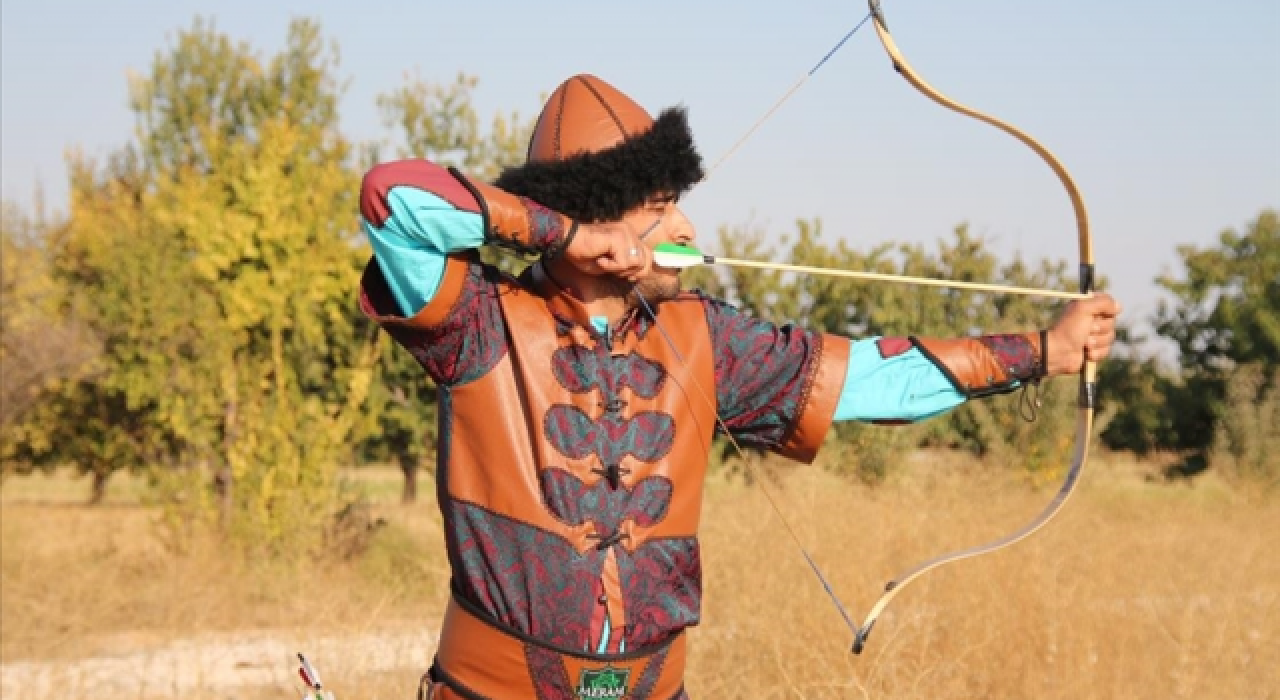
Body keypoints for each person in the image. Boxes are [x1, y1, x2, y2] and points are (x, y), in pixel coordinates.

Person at [355, 74, 1120, 700]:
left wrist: (1043, 351)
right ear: (598, 217)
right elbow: (393, 198)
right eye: (660, 207)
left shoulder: (705, 339)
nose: (685, 226)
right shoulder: (478, 320)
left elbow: (871, 379)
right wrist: (566, 234)